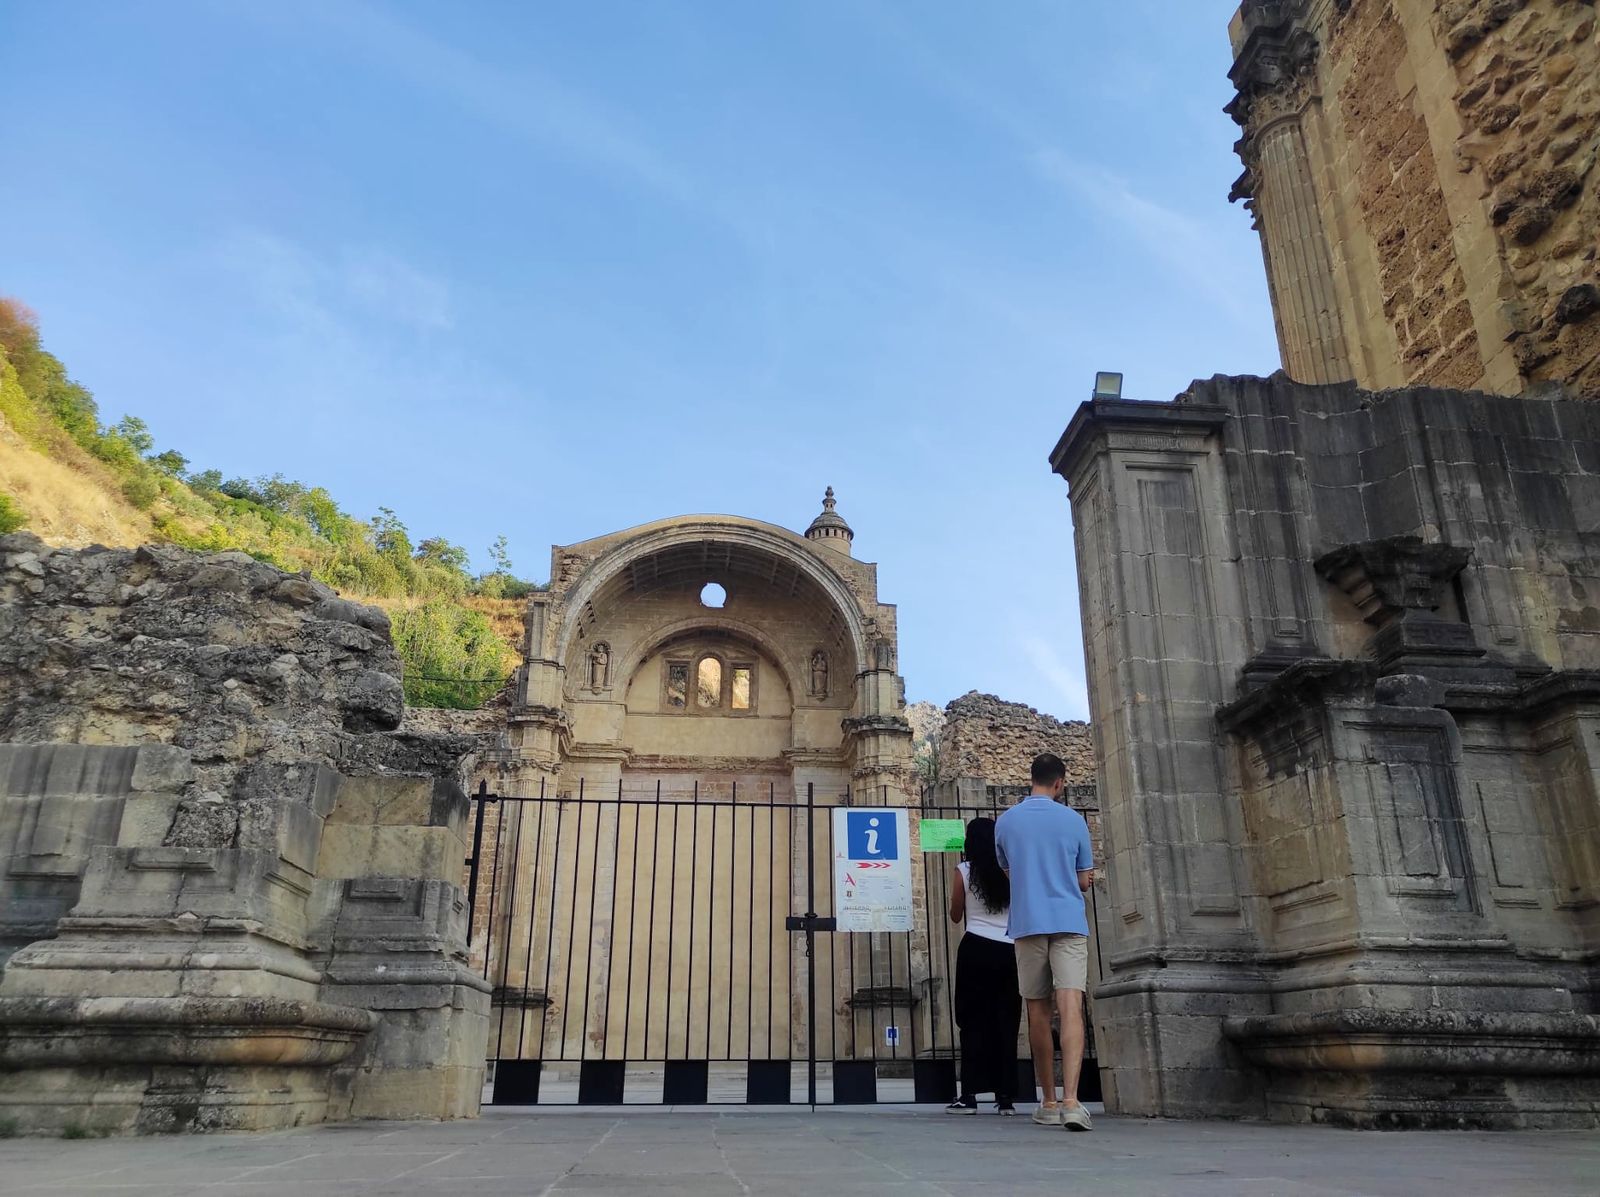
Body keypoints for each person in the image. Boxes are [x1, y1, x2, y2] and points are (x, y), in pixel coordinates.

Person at [994, 752, 1095, 1131]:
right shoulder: (1074, 820)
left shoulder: (1006, 822)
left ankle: (1048, 1101)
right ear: (1060, 783)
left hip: (1028, 921)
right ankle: (1072, 1101)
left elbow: (1010, 872)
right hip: (1068, 921)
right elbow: (1083, 879)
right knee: (1070, 1007)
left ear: (1031, 779)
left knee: (1036, 1012)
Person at [944, 816, 1020, 1116]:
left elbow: (955, 914)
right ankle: (1006, 1097)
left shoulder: (964, 870)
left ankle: (970, 1095)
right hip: (1009, 949)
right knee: (1006, 1021)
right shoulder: (1010, 871)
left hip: (975, 947)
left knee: (972, 1021)